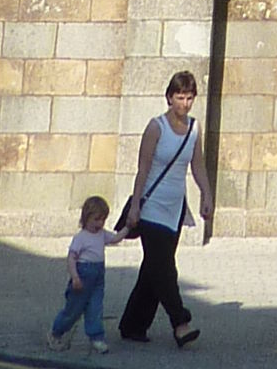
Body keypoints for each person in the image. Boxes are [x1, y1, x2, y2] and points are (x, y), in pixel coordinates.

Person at [115, 68, 214, 347]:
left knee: (153, 270)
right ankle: (180, 322)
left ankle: (132, 325)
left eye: (189, 98)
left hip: (175, 209)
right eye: (180, 97)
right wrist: (135, 206)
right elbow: (143, 168)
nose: (184, 103)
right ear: (169, 98)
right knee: (166, 270)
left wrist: (207, 195)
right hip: (151, 207)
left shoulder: (194, 129)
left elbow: (197, 165)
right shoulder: (155, 127)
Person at [51, 192, 119, 353]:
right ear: (86, 218)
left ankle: (96, 337)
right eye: (96, 219)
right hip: (82, 274)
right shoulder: (81, 238)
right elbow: (71, 258)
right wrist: (75, 276)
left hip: (97, 276)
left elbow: (115, 239)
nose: (100, 223)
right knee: (73, 310)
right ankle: (56, 333)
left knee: (96, 307)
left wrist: (128, 228)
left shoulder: (102, 235)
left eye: (103, 219)